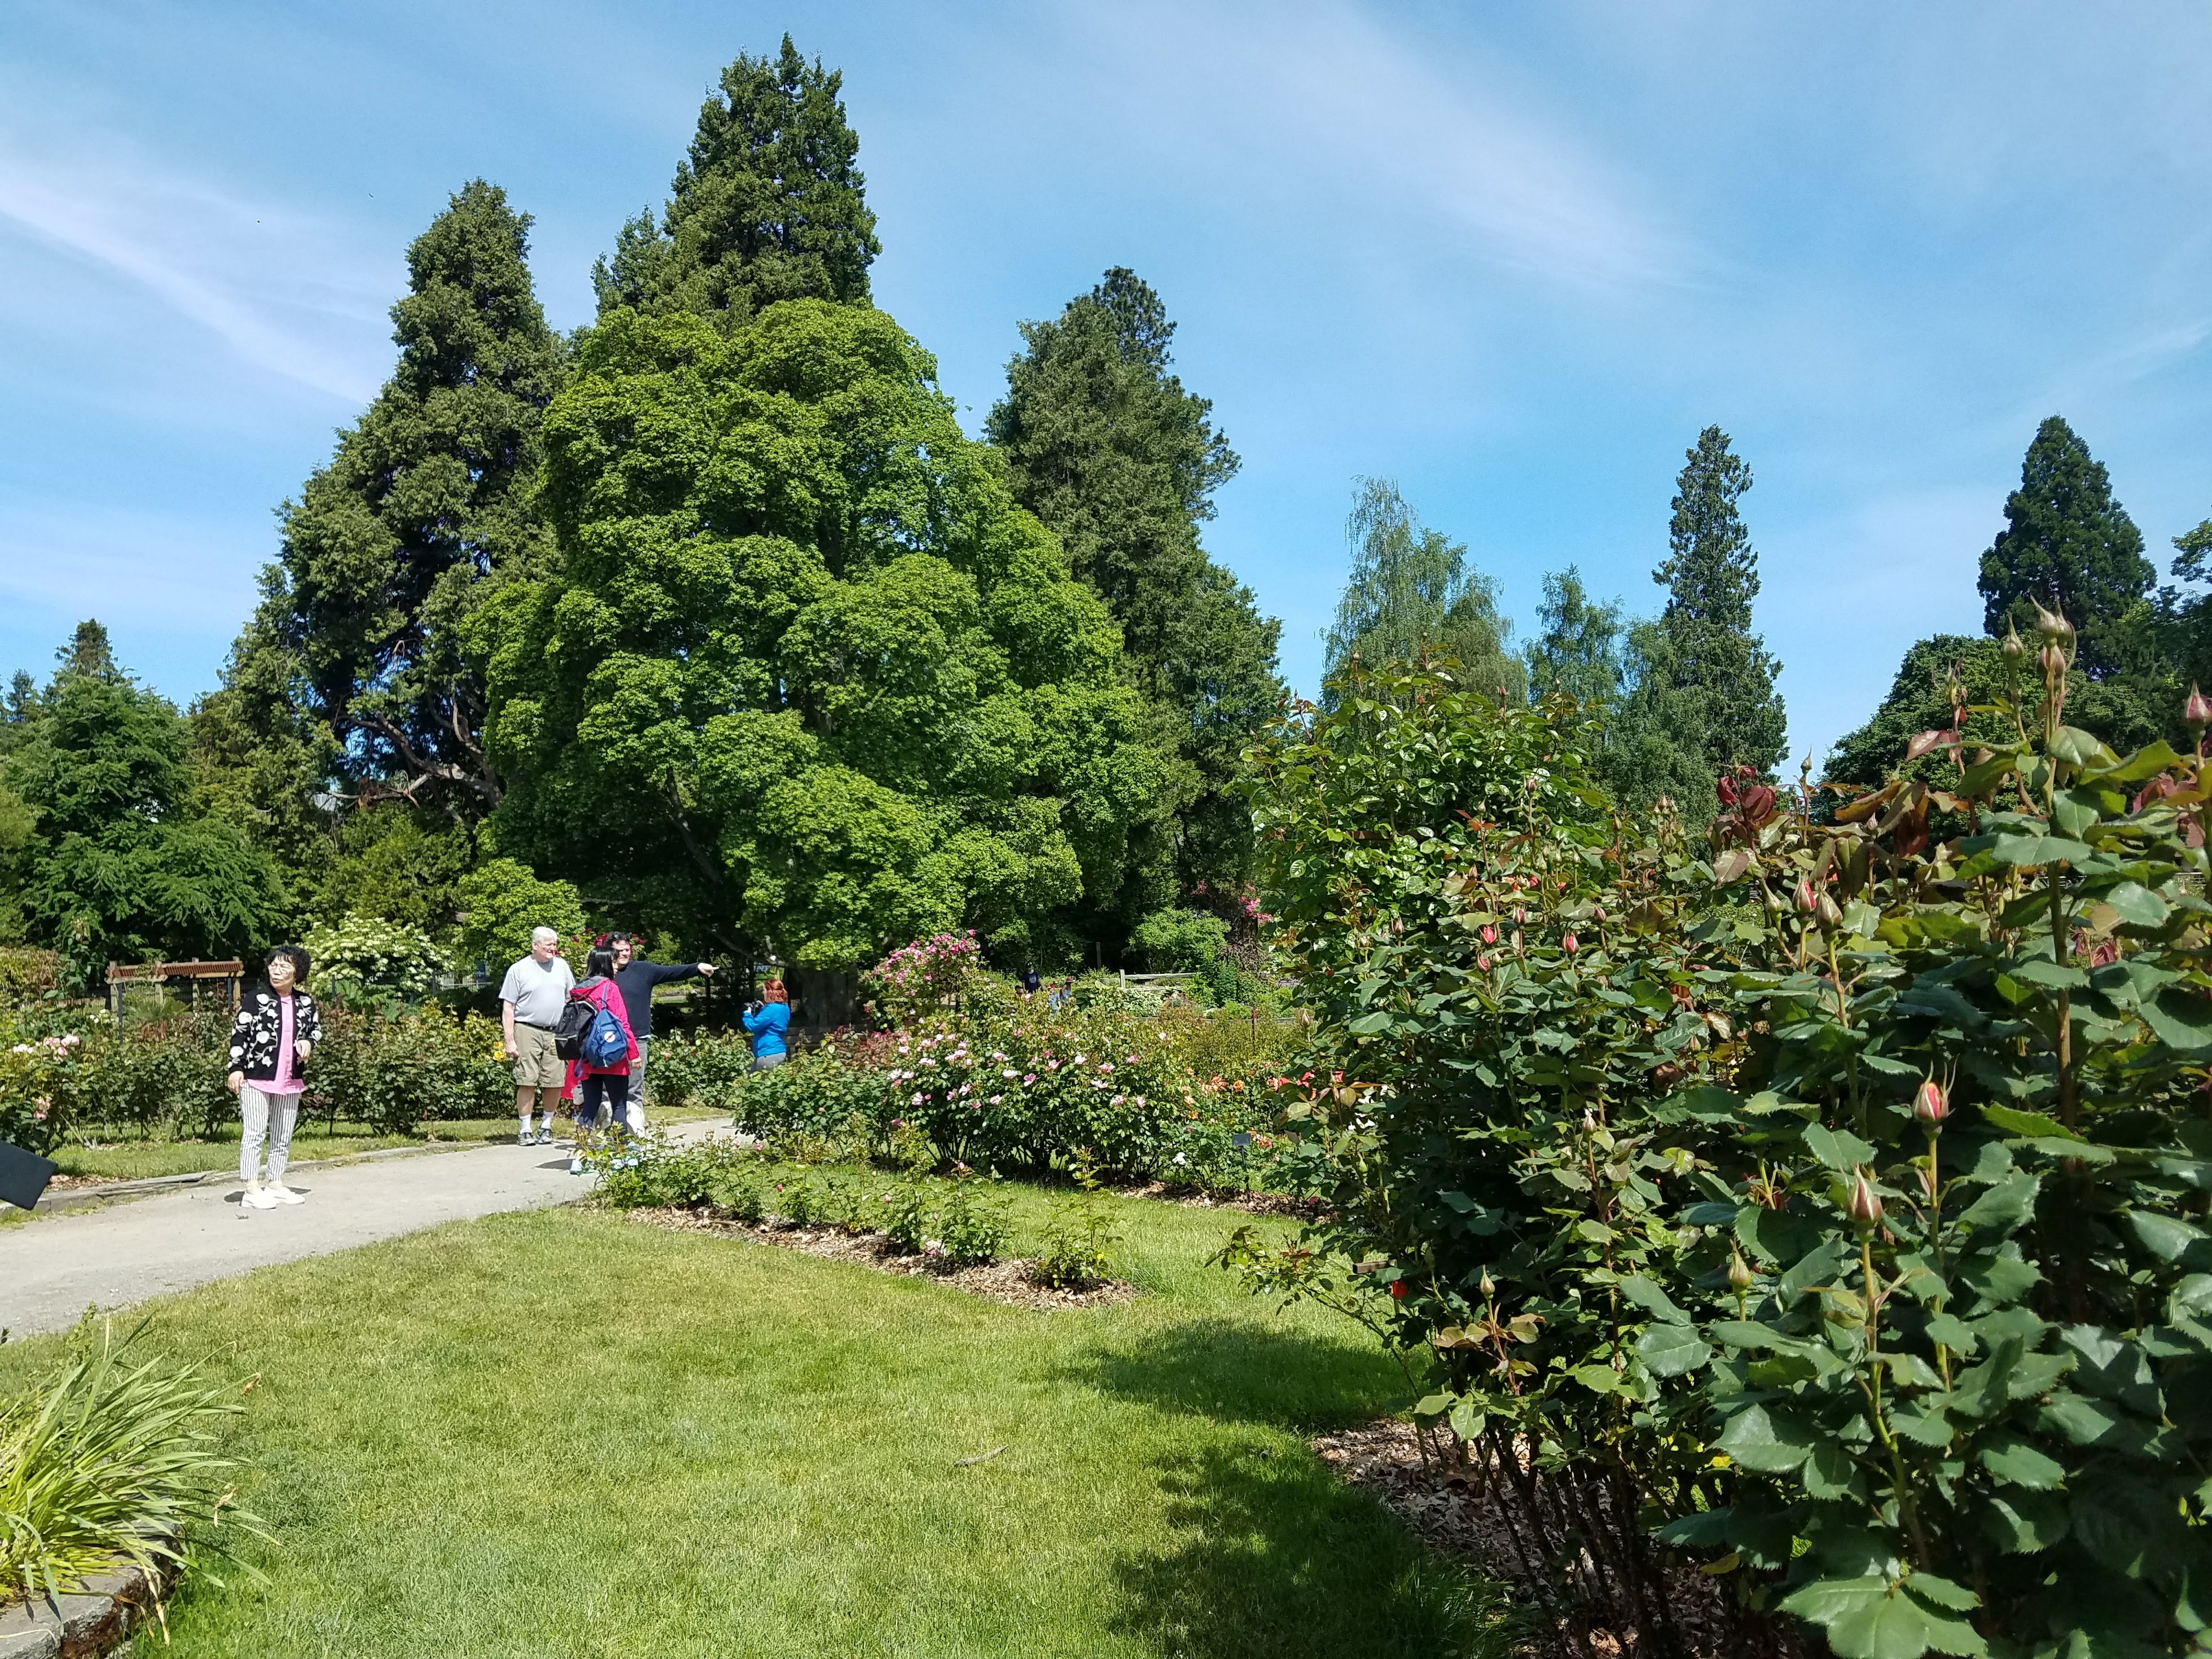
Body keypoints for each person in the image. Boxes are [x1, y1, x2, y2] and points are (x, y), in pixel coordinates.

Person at [227, 944, 322, 1210]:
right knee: (255, 1133)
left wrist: (308, 1043)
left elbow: (315, 1030)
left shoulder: (306, 1003)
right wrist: (235, 1068)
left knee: (283, 1135)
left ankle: (275, 1183)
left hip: (290, 1080)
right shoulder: (255, 999)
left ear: (297, 973)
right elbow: (240, 1035)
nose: (277, 971)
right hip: (255, 1079)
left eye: (284, 967)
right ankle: (251, 1187)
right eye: (273, 965)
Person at [607, 933, 714, 1133]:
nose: (624, 954)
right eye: (619, 950)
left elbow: (672, 972)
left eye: (627, 949)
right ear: (609, 951)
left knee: (633, 1089)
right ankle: (606, 1134)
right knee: (606, 1090)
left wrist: (697, 968)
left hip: (637, 1039)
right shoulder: (604, 972)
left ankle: (635, 1134)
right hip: (608, 1041)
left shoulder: (643, 970)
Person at [562, 946, 639, 1174]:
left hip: (587, 1057)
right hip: (611, 1054)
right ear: (606, 964)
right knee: (619, 1105)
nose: (617, 967)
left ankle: (580, 1156)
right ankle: (620, 1155)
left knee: (589, 1107)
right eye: (614, 963)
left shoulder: (578, 990)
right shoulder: (609, 988)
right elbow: (622, 1024)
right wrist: (633, 1053)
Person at [500, 926, 575, 1146]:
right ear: (535, 946)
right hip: (527, 1029)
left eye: (554, 944)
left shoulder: (562, 967)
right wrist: (509, 1040)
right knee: (527, 1080)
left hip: (555, 1031)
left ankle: (546, 1126)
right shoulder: (519, 969)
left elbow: (571, 998)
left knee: (554, 1081)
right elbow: (508, 1006)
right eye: (548, 944)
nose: (553, 948)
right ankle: (525, 1129)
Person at [742, 978, 791, 1071]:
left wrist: (747, 1014)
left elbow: (752, 1026)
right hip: (779, 1051)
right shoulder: (785, 1008)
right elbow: (773, 1021)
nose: (763, 993)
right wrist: (764, 1008)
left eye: (764, 990)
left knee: (756, 1084)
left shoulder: (771, 1009)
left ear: (770, 992)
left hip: (768, 1053)